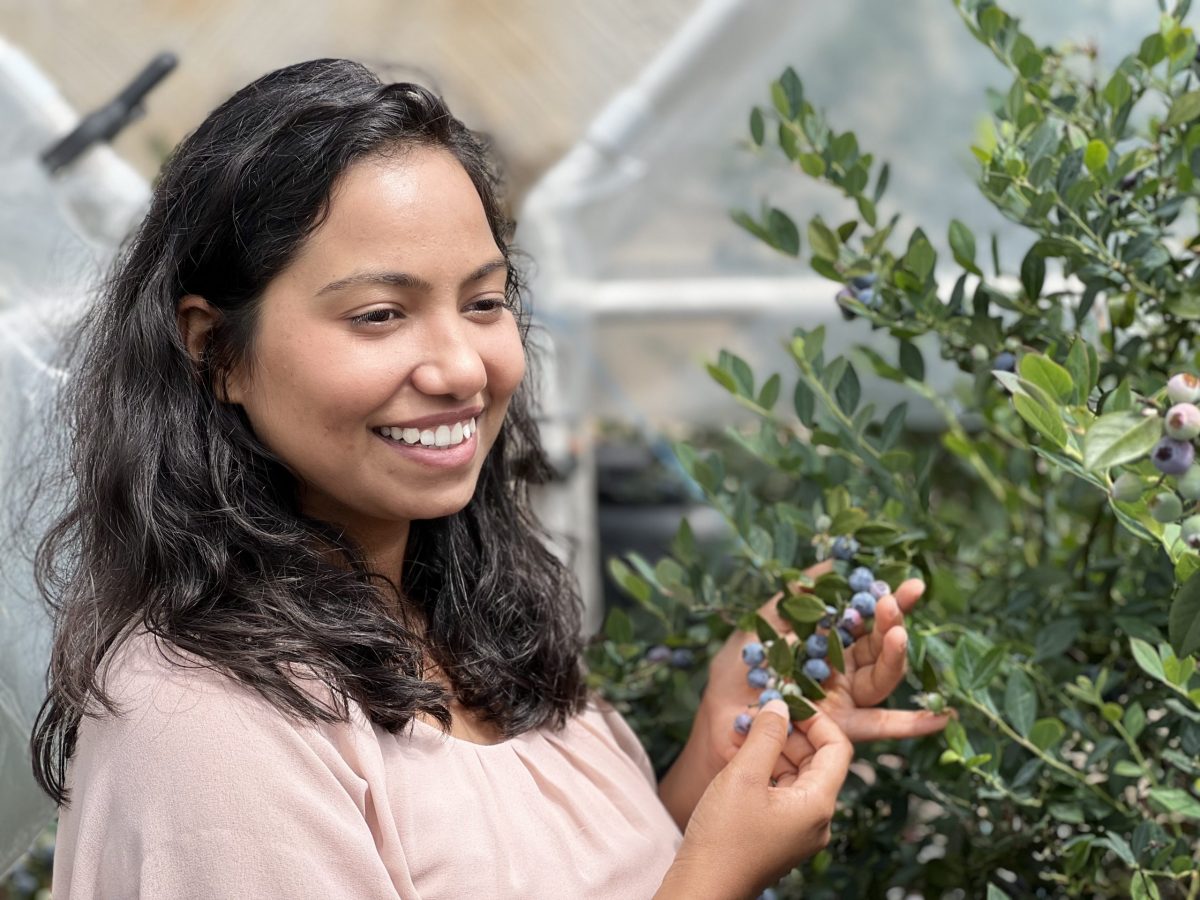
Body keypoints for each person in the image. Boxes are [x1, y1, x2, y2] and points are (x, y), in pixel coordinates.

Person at [29, 58, 948, 899]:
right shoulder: (204, 729)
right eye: (382, 314)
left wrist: (709, 773)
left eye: (483, 302)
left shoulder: (463, 626)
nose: (461, 367)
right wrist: (714, 879)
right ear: (215, 350)